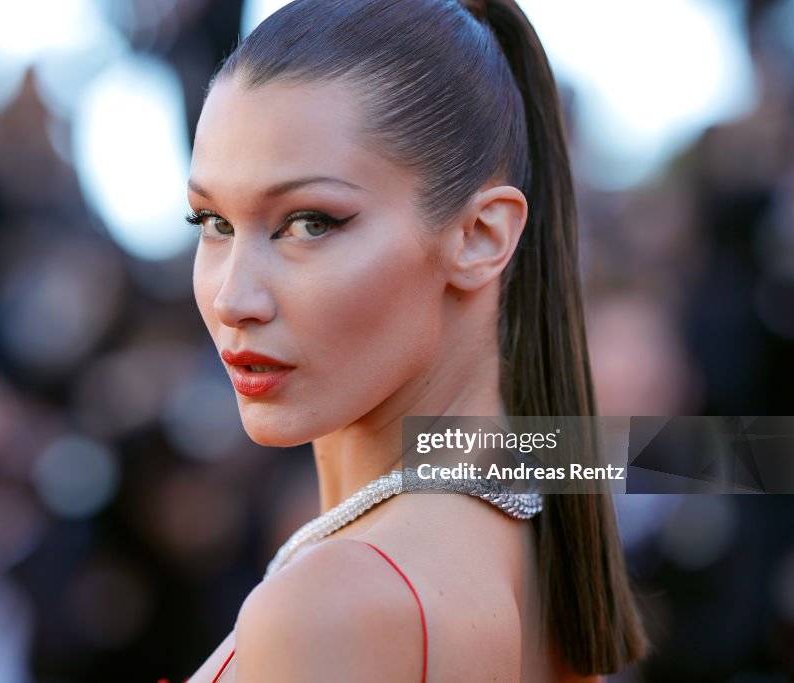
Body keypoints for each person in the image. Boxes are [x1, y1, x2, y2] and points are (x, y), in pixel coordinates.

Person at [183, 0, 649, 680]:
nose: (233, 298)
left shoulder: (342, 602)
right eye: (213, 222)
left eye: (309, 222)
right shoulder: (529, 545)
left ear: (481, 236)